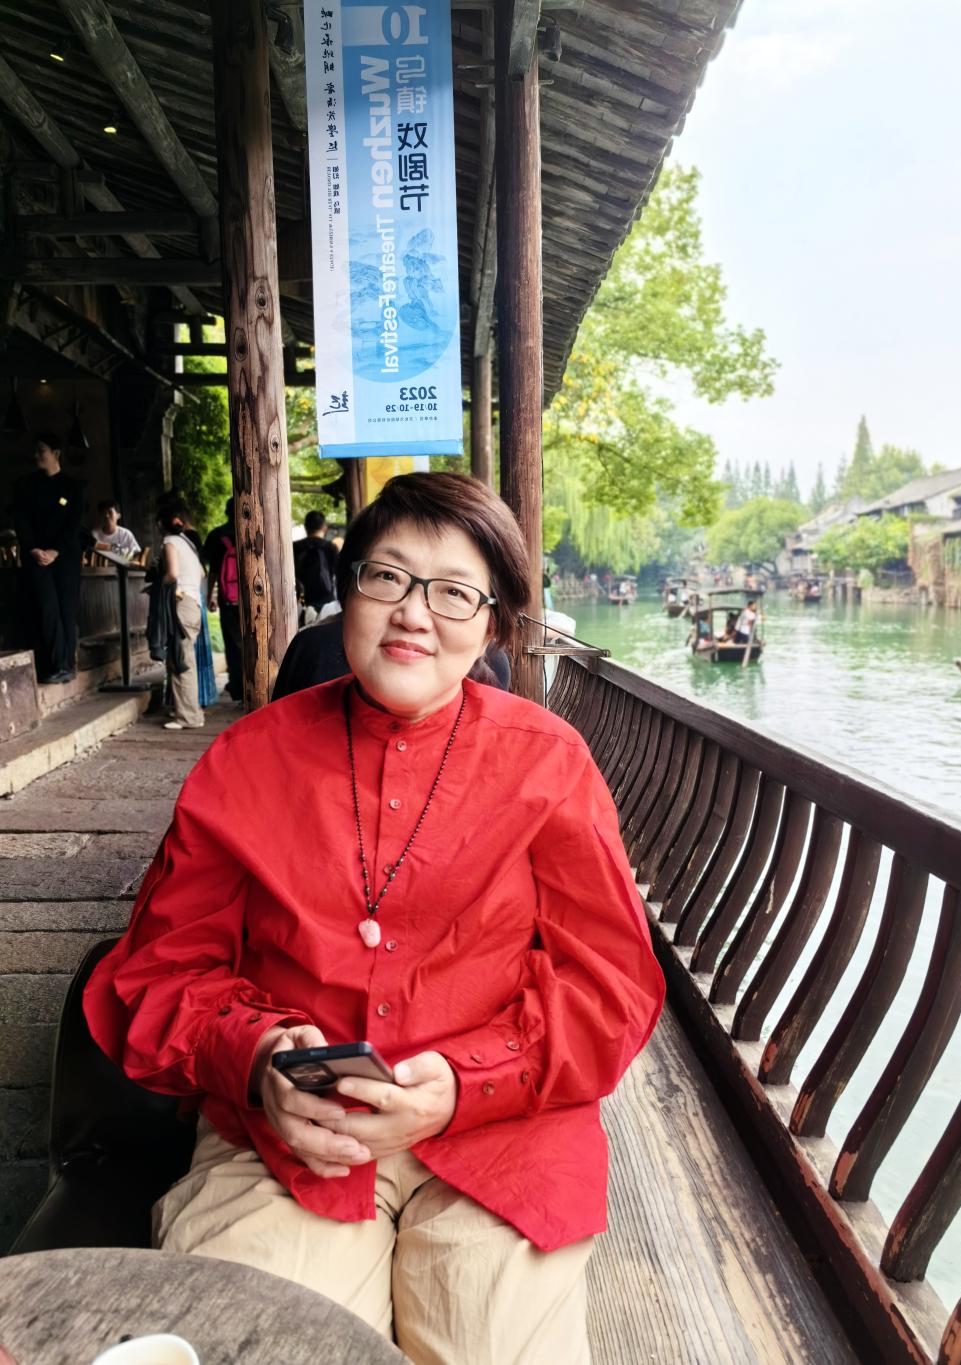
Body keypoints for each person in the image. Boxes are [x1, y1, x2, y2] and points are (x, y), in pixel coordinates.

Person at [84, 472, 664, 1363]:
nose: (413, 614)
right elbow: (159, 975)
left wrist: (469, 1081)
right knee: (265, 1346)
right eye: (386, 576)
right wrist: (259, 1061)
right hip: (285, 1138)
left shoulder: (548, 765)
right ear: (345, 590)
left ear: (492, 625)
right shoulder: (247, 759)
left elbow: (610, 988)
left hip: (500, 1135)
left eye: (454, 592)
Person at [13, 433, 83, 684]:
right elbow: (20, 518)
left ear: (56, 453)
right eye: (36, 451)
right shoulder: (25, 484)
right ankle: (54, 663)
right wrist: (32, 548)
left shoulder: (72, 486)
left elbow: (74, 524)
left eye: (41, 450)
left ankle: (67, 664)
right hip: (36, 556)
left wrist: (56, 551)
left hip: (64, 557)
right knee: (45, 608)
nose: (37, 456)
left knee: (66, 608)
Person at [158, 499, 205, 730]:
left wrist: (160, 583)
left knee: (181, 660)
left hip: (181, 602)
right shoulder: (188, 542)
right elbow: (202, 573)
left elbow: (173, 573)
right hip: (194, 603)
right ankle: (188, 710)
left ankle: (188, 717)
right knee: (184, 658)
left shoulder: (170, 541)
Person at [202, 499, 243, 703]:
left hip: (228, 599)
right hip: (252, 599)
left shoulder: (217, 535)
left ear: (226, 512)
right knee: (252, 641)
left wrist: (210, 595)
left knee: (232, 644)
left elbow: (213, 571)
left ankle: (237, 687)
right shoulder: (252, 530)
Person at [294, 510, 339, 622]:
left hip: (302, 600)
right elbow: (338, 573)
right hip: (327, 600)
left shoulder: (295, 547)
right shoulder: (331, 547)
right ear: (324, 527)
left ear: (306, 527)